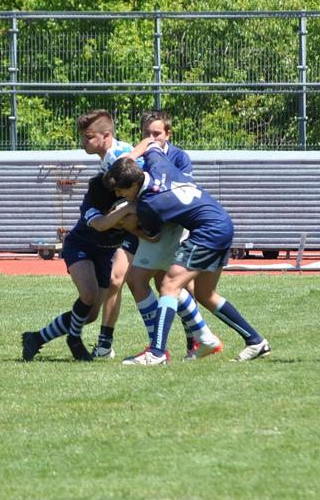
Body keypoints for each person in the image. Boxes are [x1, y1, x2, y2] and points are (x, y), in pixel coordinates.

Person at [104, 146, 271, 365]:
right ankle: (256, 341)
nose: (118, 195)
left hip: (207, 233)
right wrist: (129, 159)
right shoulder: (158, 165)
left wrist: (128, 223)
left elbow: (153, 237)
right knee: (205, 294)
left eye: (121, 191)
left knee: (169, 285)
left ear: (135, 184)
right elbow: (152, 145)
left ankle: (156, 353)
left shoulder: (149, 205)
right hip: (223, 223)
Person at [90, 110, 222, 361]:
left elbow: (178, 196)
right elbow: (134, 185)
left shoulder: (178, 157)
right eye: (146, 133)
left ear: (168, 134)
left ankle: (190, 342)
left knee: (170, 284)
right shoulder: (139, 156)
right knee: (126, 278)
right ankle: (172, 343)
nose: (152, 138)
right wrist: (128, 216)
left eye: (157, 133)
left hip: (167, 225)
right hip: (144, 223)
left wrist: (133, 214)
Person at [21, 173, 141, 362]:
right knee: (89, 294)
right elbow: (101, 224)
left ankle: (36, 338)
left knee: (90, 315)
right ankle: (74, 339)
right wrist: (127, 209)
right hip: (80, 247)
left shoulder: (130, 194)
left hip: (105, 255)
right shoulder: (92, 200)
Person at [76, 109, 137, 359]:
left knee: (166, 284)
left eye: (89, 137)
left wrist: (125, 213)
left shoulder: (117, 157)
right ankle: (104, 345)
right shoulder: (112, 156)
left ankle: (186, 340)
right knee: (121, 281)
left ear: (107, 135)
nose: (83, 142)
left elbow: (138, 189)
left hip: (147, 221)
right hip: (136, 222)